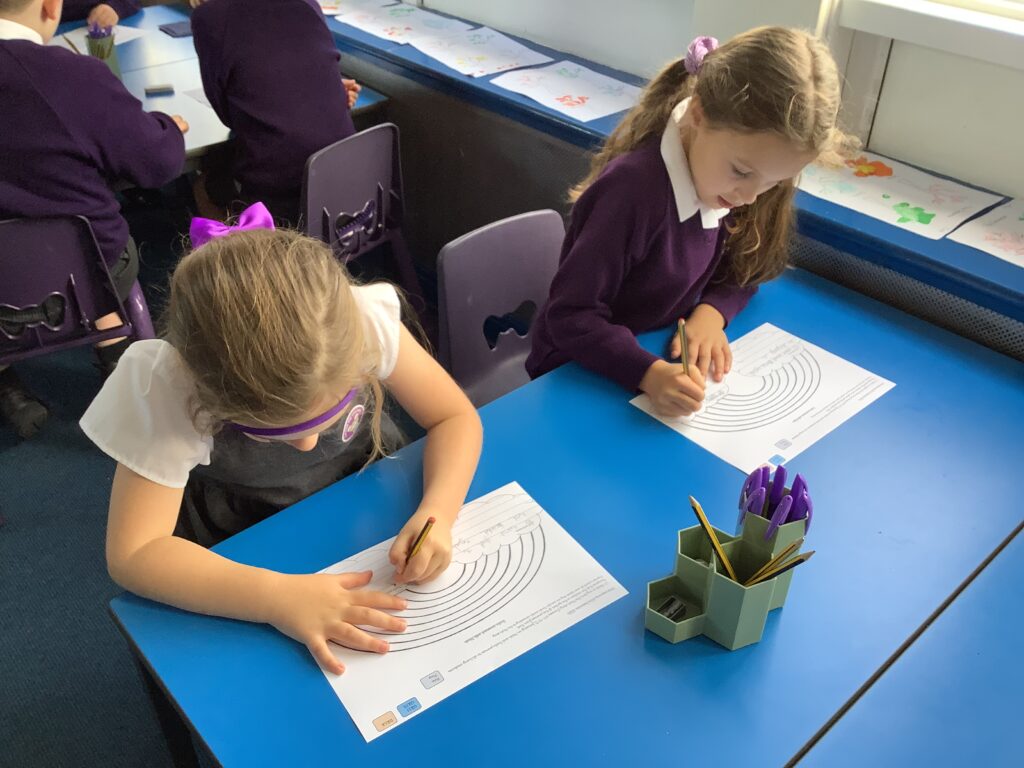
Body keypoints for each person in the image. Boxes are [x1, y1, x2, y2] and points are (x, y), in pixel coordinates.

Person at [81, 210, 483, 673]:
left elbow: (453, 417)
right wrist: (276, 597)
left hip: (360, 485)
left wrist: (439, 513)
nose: (310, 444)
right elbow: (134, 553)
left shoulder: (358, 321)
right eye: (274, 430)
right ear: (211, 396)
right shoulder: (171, 386)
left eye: (326, 417)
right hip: (244, 520)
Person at [526, 28, 854, 418]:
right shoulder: (631, 192)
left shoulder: (743, 174)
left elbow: (747, 269)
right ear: (698, 115)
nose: (752, 196)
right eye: (742, 172)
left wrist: (712, 313)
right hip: (577, 375)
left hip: (652, 351)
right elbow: (570, 316)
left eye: (776, 182)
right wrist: (647, 373)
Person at [0, 0, 187, 438]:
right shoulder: (69, 75)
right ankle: (115, 353)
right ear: (51, 7)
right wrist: (167, 125)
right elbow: (157, 164)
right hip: (87, 274)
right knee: (99, 264)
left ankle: (6, 380)